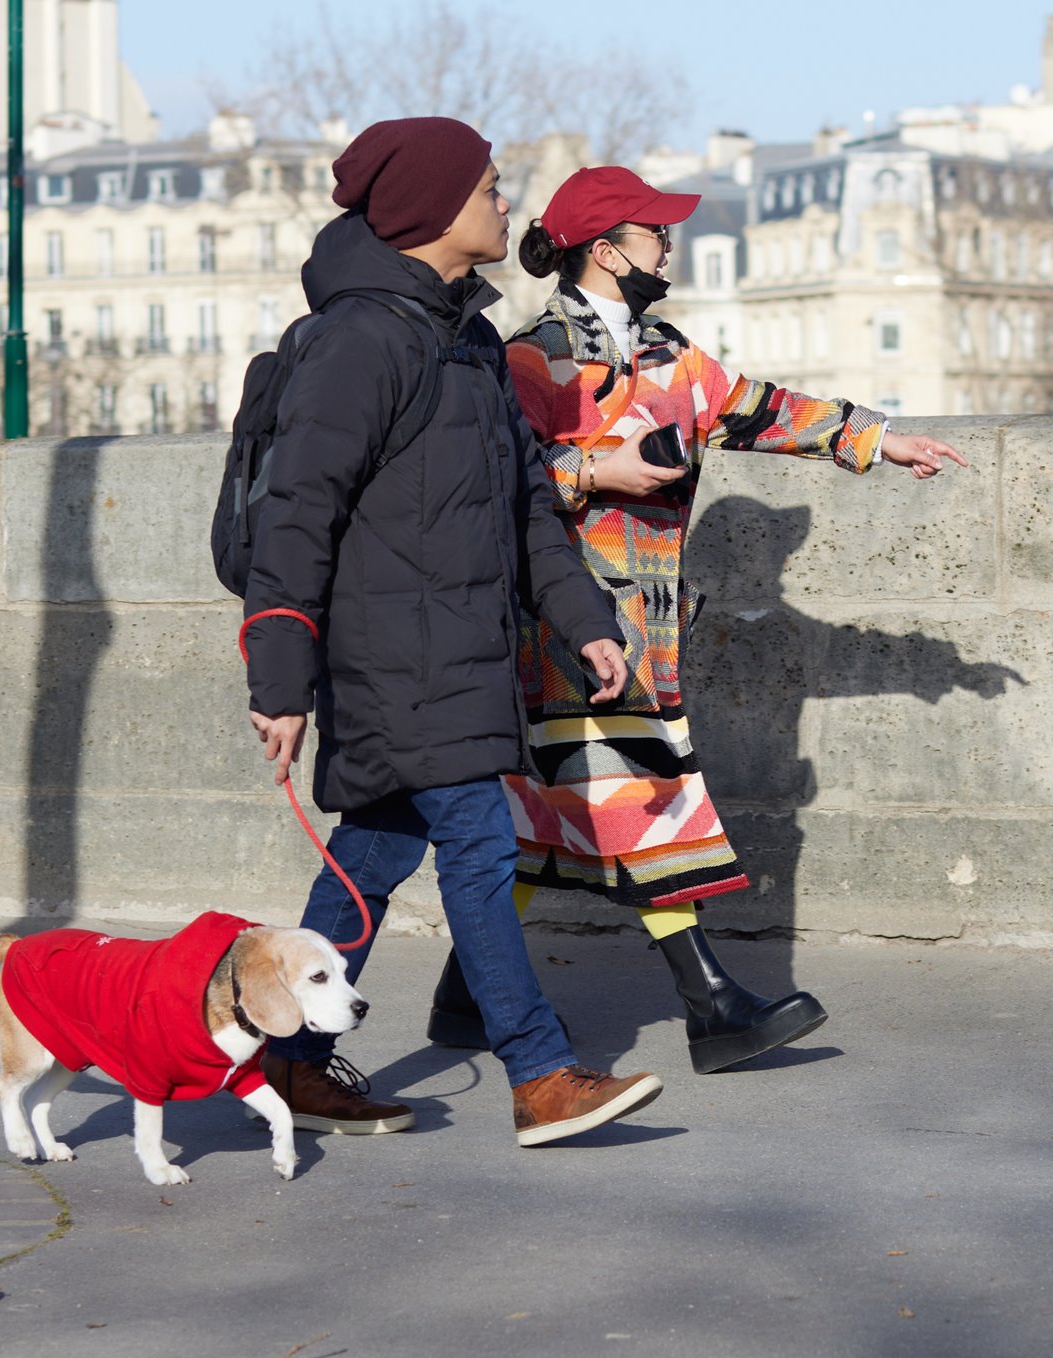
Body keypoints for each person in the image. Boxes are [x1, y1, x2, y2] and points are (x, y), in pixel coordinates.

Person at [425, 166, 970, 1076]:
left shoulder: (673, 353)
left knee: (550, 817)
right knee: (648, 799)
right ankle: (712, 1006)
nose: (669, 247)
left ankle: (461, 996)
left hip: (648, 631)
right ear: (606, 250)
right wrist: (597, 473)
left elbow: (762, 409)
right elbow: (493, 482)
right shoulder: (533, 357)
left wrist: (881, 439)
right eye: (656, 233)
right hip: (571, 629)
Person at [241, 119, 665, 1149]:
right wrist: (280, 677)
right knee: (477, 842)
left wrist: (584, 624)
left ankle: (287, 1064)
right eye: (489, 187)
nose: (506, 202)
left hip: (458, 653)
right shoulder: (360, 341)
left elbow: (526, 504)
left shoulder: (469, 340)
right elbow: (295, 512)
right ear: (431, 210)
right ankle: (538, 1071)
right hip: (388, 659)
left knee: (371, 858)